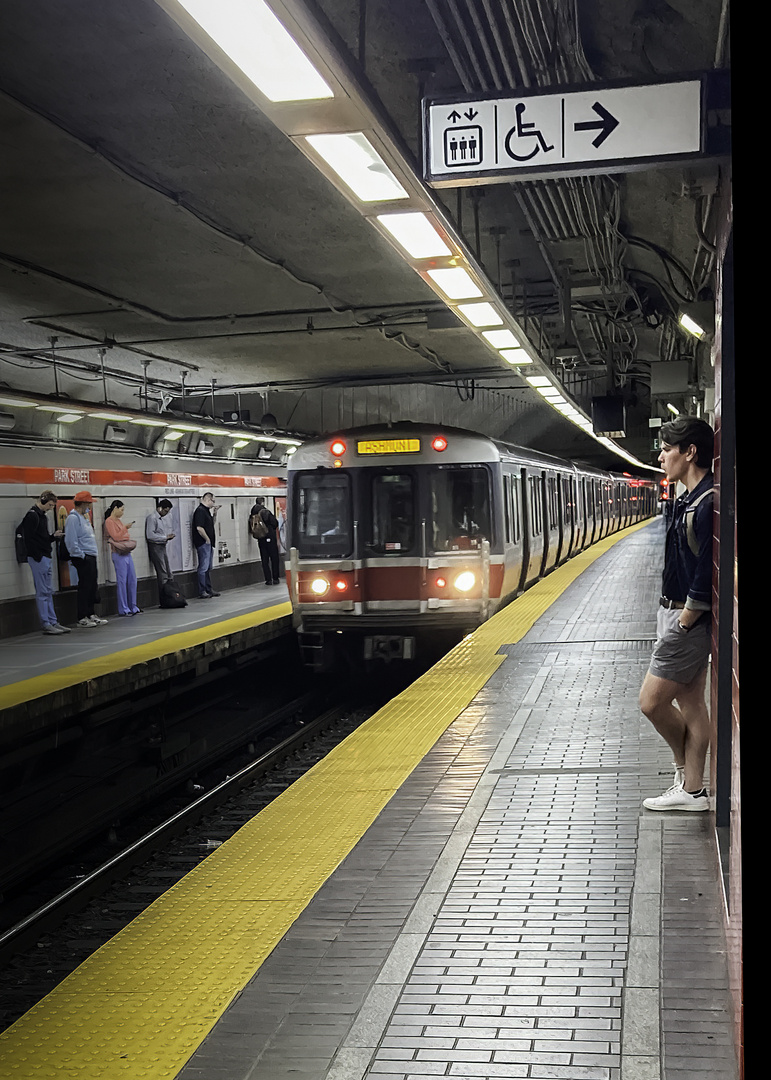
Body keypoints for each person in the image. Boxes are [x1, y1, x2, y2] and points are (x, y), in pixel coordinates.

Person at [639, 416, 715, 811]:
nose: (662, 455)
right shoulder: (688, 498)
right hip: (675, 612)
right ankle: (693, 790)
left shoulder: (704, 504)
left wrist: (686, 619)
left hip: (686, 618)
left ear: (690, 452)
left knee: (650, 702)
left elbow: (707, 569)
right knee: (691, 702)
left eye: (668, 448)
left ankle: (685, 773)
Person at [21, 490, 71, 635]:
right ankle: (46, 623)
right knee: (43, 591)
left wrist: (52, 537)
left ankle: (53, 621)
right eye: (49, 505)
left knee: (48, 591)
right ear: (42, 501)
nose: (50, 508)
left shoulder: (42, 516)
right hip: (39, 558)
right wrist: (38, 556)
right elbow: (28, 539)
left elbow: (39, 538)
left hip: (45, 556)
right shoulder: (32, 516)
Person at [64, 491, 107, 627]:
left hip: (90, 556)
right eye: (88, 503)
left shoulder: (84, 518)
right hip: (83, 557)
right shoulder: (73, 518)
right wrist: (81, 556)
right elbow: (71, 540)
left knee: (92, 586)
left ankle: (90, 613)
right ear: (82, 504)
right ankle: (82, 617)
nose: (90, 506)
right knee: (85, 586)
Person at [104, 500, 141, 616]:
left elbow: (124, 536)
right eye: (122, 509)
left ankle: (133, 605)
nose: (123, 512)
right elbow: (116, 537)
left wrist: (123, 531)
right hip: (118, 554)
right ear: (115, 508)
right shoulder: (109, 522)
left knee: (132, 579)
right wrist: (125, 529)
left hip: (126, 553)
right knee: (122, 581)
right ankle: (123, 608)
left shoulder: (119, 522)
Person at [146, 498, 176, 600]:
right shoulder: (152, 518)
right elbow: (150, 535)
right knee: (162, 572)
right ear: (160, 508)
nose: (166, 514)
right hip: (155, 547)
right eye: (165, 511)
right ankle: (164, 598)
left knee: (168, 571)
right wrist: (164, 537)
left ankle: (170, 595)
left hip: (162, 546)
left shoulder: (160, 519)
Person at [192, 491, 221, 598]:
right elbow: (199, 528)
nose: (213, 503)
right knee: (203, 568)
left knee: (208, 567)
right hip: (203, 543)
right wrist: (207, 539)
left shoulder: (206, 511)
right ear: (208, 500)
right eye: (213, 501)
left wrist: (215, 513)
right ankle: (202, 590)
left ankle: (208, 589)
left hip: (208, 543)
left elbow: (210, 524)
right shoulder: (200, 511)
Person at [250, 497, 280, 585]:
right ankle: (275, 578)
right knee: (274, 558)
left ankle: (268, 579)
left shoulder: (252, 514)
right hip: (270, 537)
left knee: (264, 559)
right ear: (263, 502)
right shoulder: (265, 512)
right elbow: (275, 523)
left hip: (260, 539)